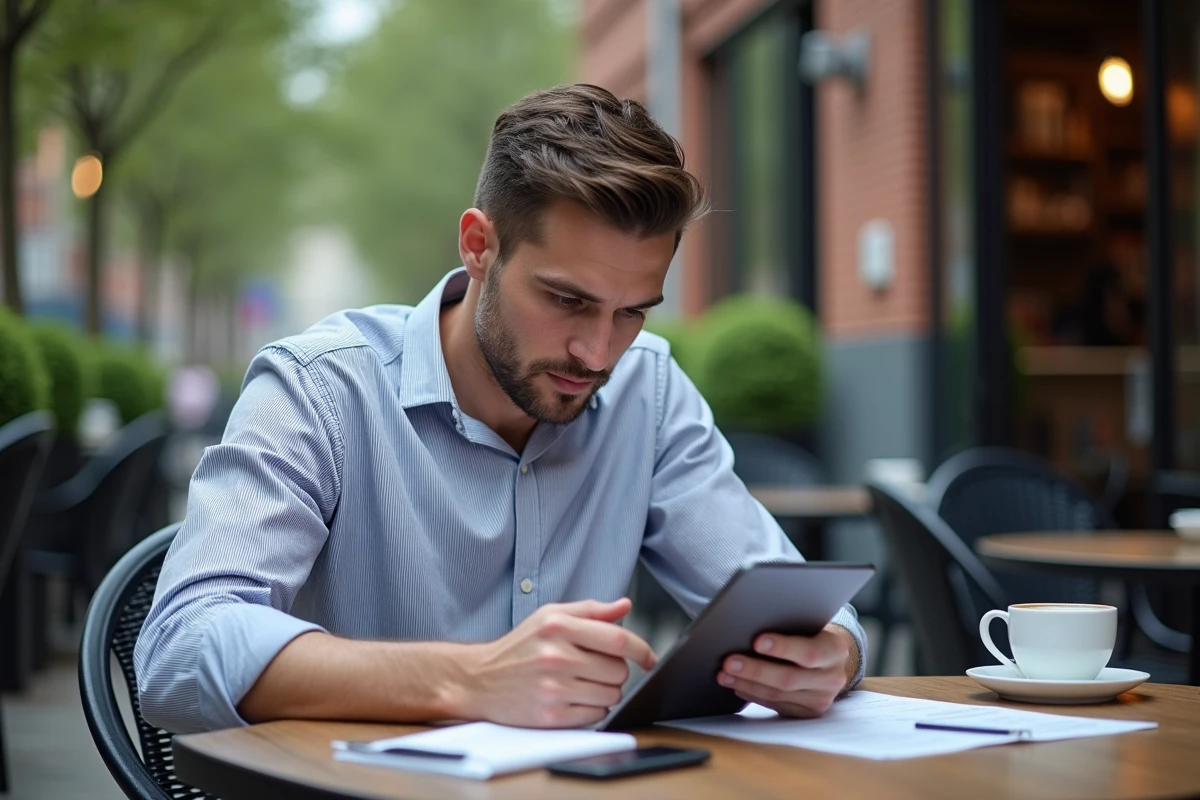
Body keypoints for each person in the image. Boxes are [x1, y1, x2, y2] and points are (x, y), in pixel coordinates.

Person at [135, 84, 866, 734]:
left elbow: (795, 600)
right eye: (567, 300)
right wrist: (470, 678)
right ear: (479, 245)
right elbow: (180, 650)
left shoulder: (650, 388)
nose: (597, 353)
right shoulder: (321, 389)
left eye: (632, 312)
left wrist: (833, 653)